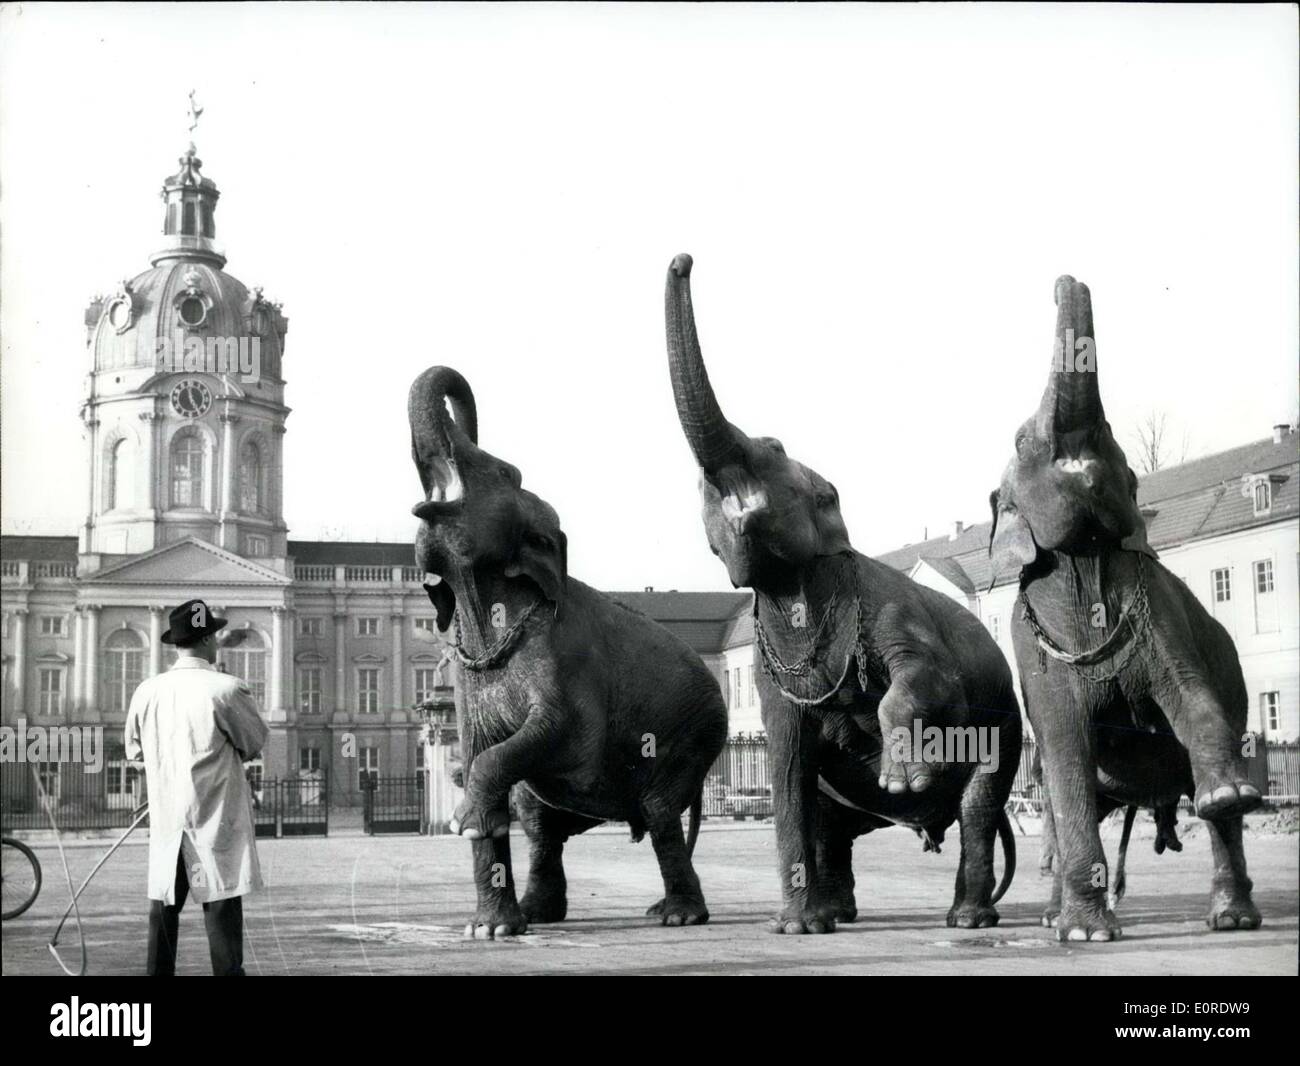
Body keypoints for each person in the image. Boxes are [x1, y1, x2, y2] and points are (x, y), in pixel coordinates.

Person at [124, 599, 268, 976]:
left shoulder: (146, 692)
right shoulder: (227, 689)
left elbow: (134, 751)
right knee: (222, 932)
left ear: (177, 642)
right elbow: (253, 742)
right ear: (207, 640)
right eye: (214, 635)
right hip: (213, 826)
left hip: (168, 828)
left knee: (162, 926)